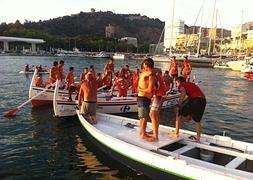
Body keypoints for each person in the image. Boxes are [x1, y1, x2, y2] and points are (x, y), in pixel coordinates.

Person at [171, 76, 206, 143]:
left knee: (178, 113)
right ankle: (198, 139)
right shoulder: (191, 84)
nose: (176, 85)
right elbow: (190, 96)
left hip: (195, 100)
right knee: (197, 121)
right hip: (203, 100)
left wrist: (178, 105)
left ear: (179, 82)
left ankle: (176, 133)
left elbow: (183, 94)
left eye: (176, 83)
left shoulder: (181, 85)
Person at [138, 58, 156, 141]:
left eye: (144, 65)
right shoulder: (145, 73)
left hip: (144, 98)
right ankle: (143, 134)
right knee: (144, 117)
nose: (144, 67)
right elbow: (152, 72)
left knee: (142, 117)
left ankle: (142, 132)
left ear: (146, 65)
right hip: (143, 97)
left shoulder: (146, 74)